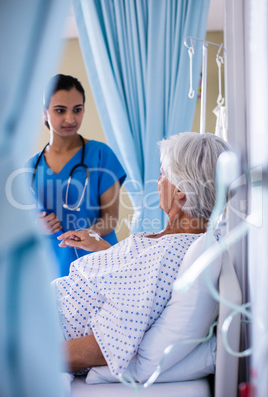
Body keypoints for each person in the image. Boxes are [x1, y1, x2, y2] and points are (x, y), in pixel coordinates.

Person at [52, 132, 231, 376]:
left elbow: (105, 346)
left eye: (163, 174)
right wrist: (104, 249)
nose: (158, 182)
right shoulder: (169, 241)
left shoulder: (170, 255)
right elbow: (133, 278)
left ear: (181, 192)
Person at [26, 74, 126, 277]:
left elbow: (110, 218)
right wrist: (37, 226)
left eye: (77, 110)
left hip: (98, 262)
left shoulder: (100, 154)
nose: (70, 119)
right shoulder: (30, 168)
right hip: (51, 266)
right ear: (45, 113)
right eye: (60, 110)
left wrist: (90, 234)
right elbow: (23, 224)